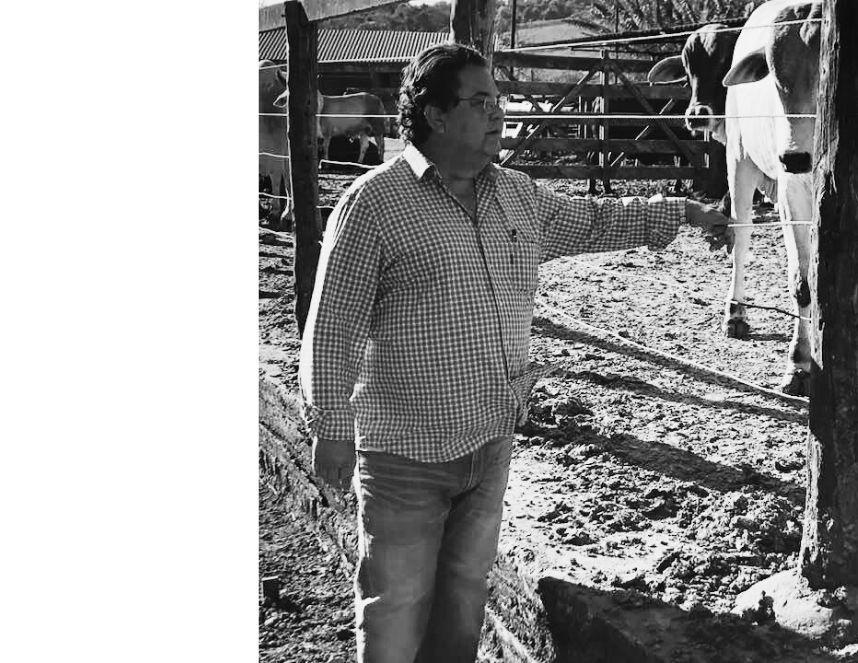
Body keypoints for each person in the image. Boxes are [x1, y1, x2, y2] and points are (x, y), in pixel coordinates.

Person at [298, 42, 733, 663]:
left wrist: (684, 212)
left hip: (491, 442)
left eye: (498, 100)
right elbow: (331, 325)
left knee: (463, 605)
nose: (498, 113)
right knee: (395, 609)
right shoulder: (373, 204)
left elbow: (595, 220)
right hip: (406, 455)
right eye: (480, 102)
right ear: (435, 115)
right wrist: (332, 427)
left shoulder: (518, 195)